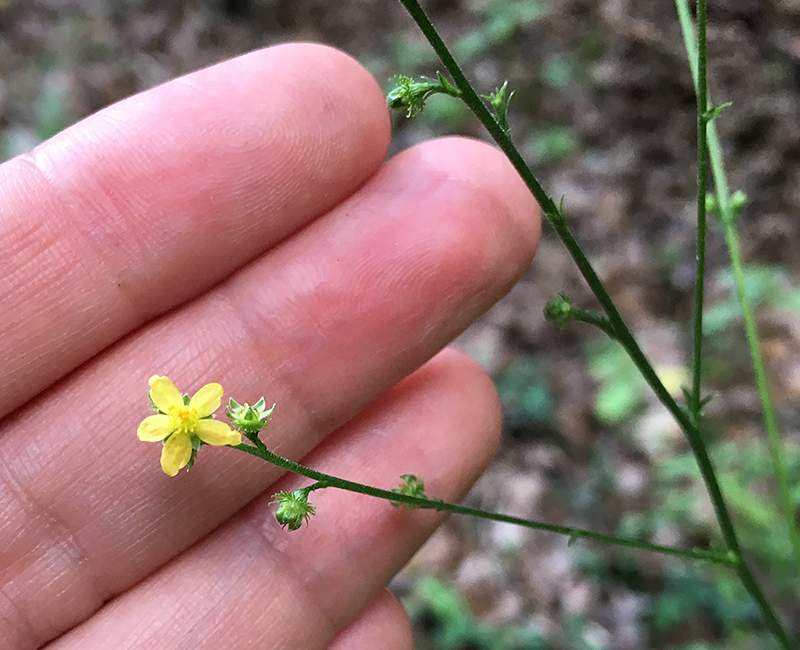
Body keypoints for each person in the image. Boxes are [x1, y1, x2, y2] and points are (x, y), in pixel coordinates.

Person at [0, 43, 540, 649]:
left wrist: (223, 430)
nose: (181, 416)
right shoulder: (192, 431)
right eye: (180, 417)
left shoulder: (210, 423)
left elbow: (217, 425)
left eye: (185, 415)